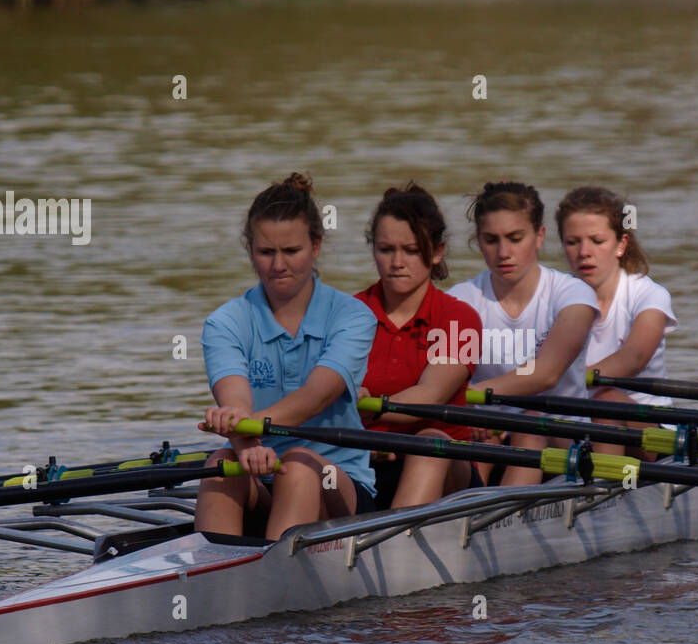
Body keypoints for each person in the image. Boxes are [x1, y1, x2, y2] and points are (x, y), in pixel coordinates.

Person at [195, 173, 377, 541]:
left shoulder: (353, 316)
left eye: (291, 251)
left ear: (316, 246)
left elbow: (316, 397)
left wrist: (249, 429)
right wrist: (244, 439)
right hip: (259, 477)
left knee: (296, 464)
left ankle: (272, 585)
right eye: (266, 252)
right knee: (220, 464)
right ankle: (209, 576)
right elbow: (235, 400)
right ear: (250, 251)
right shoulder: (225, 322)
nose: (278, 265)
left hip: (336, 482)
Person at [448, 181, 598, 486]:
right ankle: (465, 516)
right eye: (491, 240)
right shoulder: (460, 299)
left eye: (515, 238)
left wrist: (470, 399)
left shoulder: (573, 295)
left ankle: (498, 521)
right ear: (478, 240)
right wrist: (474, 412)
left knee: (529, 425)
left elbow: (544, 374)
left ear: (539, 236)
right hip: (486, 432)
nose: (503, 252)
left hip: (562, 439)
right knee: (478, 439)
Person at [355, 183, 486, 508]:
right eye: (386, 250)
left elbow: (430, 397)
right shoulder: (347, 314)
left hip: (444, 470)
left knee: (429, 442)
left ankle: (395, 548)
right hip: (360, 464)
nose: (397, 262)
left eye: (411, 251)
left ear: (437, 251)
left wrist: (365, 411)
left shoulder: (460, 318)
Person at [557, 185, 676, 457]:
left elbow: (633, 357)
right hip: (578, 424)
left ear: (621, 245)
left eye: (597, 241)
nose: (583, 252)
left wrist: (555, 378)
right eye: (572, 242)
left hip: (650, 435)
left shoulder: (648, 295)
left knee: (606, 399)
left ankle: (599, 494)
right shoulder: (555, 297)